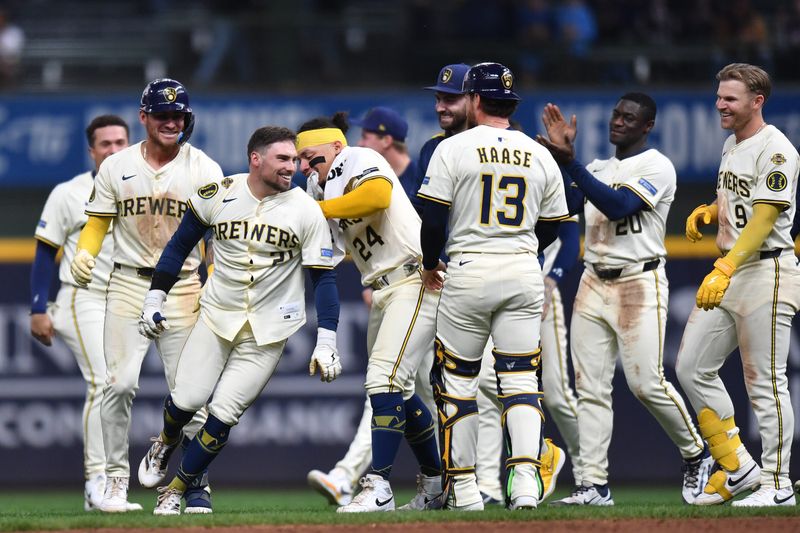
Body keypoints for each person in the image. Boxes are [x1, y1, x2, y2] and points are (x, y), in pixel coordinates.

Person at [137, 126, 341, 515]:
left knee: (223, 414)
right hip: (216, 317)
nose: (292, 167)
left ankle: (177, 490)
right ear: (256, 158)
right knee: (188, 400)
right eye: (282, 159)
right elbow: (179, 246)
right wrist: (154, 297)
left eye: (294, 160)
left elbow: (324, 278)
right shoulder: (219, 192)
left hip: (269, 331)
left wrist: (327, 340)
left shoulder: (305, 210)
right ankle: (165, 440)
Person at [536, 92, 713, 506]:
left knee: (646, 383)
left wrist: (571, 162)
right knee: (590, 388)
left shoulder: (657, 166)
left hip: (639, 281)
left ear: (646, 126)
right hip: (593, 282)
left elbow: (619, 206)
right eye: (616, 114)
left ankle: (696, 453)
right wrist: (559, 161)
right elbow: (563, 208)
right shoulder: (597, 167)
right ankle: (592, 483)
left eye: (629, 117)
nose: (619, 121)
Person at [417, 62, 569, 511]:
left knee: (458, 384)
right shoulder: (539, 153)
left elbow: (432, 219)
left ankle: (465, 490)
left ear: (476, 101)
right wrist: (520, 247)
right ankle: (524, 482)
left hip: (469, 267)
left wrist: (429, 262)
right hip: (523, 270)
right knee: (521, 381)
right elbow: (555, 225)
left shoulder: (455, 148)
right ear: (511, 103)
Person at [69, 78, 224, 513]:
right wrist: (85, 252)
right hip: (128, 283)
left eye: (178, 115)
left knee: (190, 394)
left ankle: (192, 485)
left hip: (184, 285)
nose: (171, 122)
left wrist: (214, 280)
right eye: (162, 115)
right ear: (144, 117)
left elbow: (216, 233)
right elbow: (98, 222)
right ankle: (116, 482)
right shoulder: (116, 166)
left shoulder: (204, 168)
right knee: (117, 385)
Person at [297, 111, 442, 512]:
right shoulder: (316, 186)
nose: (308, 165)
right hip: (381, 287)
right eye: (302, 160)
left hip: (414, 278)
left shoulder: (358, 158)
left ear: (336, 146)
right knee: (403, 391)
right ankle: (435, 485)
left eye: (313, 156)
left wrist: (317, 212)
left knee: (384, 381)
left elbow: (377, 197)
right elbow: (328, 248)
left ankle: (378, 485)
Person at [676, 63, 800, 507]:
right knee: (690, 366)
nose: (720, 105)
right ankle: (740, 467)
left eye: (730, 98)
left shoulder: (778, 149)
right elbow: (741, 195)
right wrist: (711, 209)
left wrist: (725, 266)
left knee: (766, 382)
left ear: (756, 101)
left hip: (766, 271)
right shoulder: (734, 143)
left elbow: (766, 217)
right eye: (719, 96)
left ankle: (778, 482)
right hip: (734, 268)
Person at [30, 115, 130, 511]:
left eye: (119, 141)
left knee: (120, 388)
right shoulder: (69, 192)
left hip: (123, 300)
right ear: (92, 151)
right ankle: (96, 483)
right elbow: (43, 251)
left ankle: (112, 485)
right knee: (103, 383)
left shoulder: (141, 191)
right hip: (80, 296)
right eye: (104, 144)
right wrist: (38, 307)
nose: (112, 149)